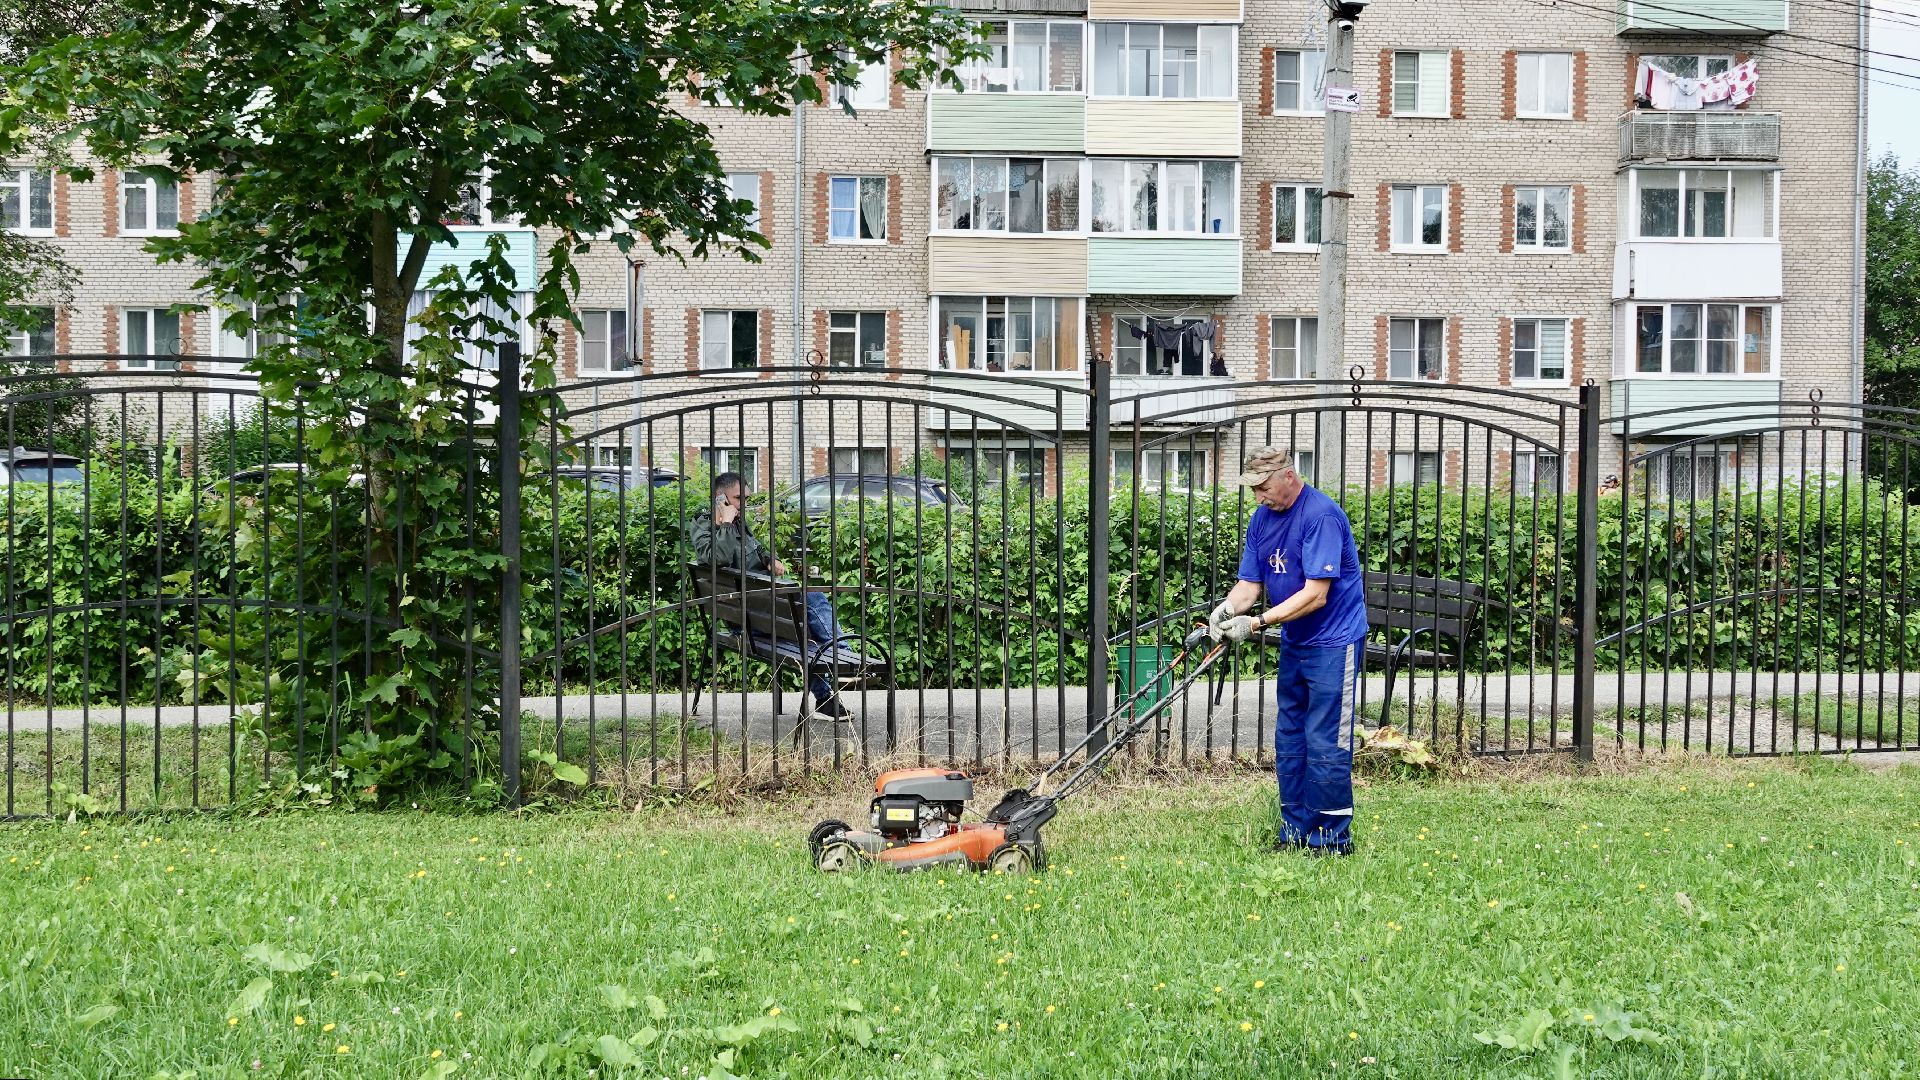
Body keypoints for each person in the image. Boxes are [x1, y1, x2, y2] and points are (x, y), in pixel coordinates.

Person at [1208, 448, 1369, 855]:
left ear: (1289, 476)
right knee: (1291, 736)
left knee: (1325, 738)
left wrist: (1256, 623)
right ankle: (1295, 831)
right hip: (1298, 641)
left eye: (1263, 487)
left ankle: (1332, 839)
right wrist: (1227, 610)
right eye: (1253, 489)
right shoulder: (1262, 519)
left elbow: (1315, 595)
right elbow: (1250, 586)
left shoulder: (1321, 516)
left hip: (1334, 641)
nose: (1259, 496)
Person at [688, 471, 854, 721]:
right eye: (738, 498)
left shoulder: (738, 522)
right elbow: (718, 560)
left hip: (760, 611)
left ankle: (826, 698)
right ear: (720, 498)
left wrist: (768, 559)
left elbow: (755, 548)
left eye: (746, 497)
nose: (744, 503)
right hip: (746, 620)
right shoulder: (705, 525)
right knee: (810, 597)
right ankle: (843, 656)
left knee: (805, 629)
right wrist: (723, 523)